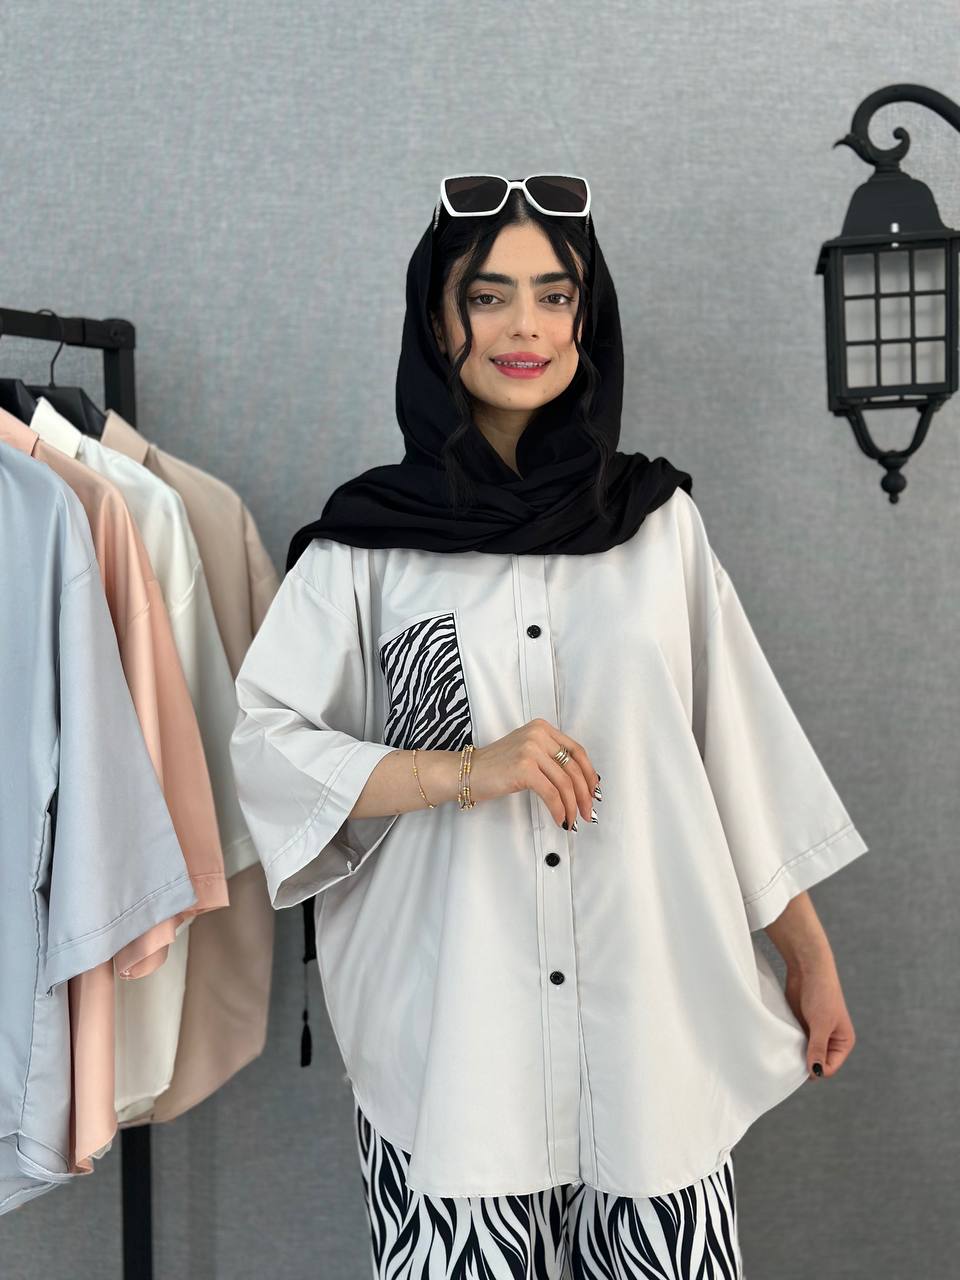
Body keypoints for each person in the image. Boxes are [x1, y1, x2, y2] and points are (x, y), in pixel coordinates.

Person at [230, 175, 869, 1279]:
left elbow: (734, 755)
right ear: (438, 319)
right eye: (488, 296)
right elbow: (267, 748)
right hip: (454, 1049)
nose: (524, 326)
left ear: (587, 317)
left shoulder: (659, 528)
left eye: (554, 295)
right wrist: (465, 769)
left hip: (649, 1039)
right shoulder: (364, 548)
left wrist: (807, 956)